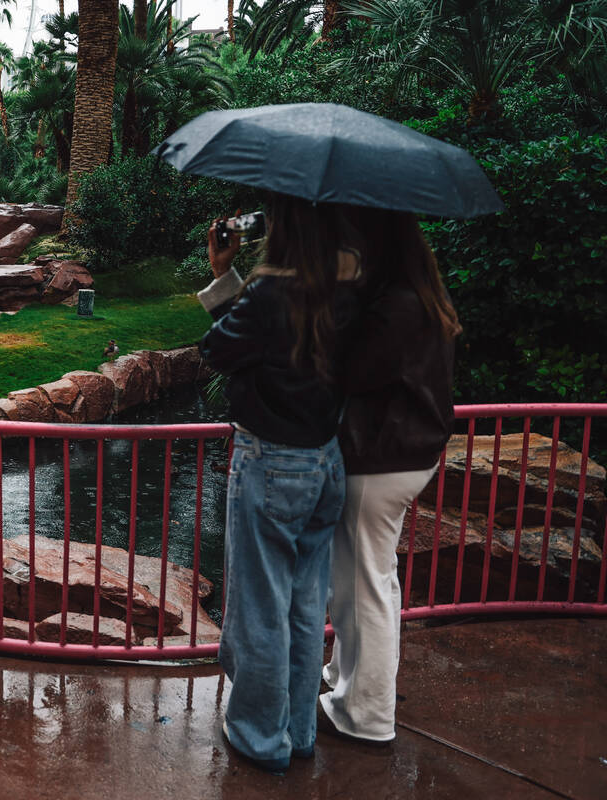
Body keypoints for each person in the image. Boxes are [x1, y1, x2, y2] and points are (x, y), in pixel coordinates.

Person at [199, 193, 361, 773]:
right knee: (303, 604)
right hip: (326, 462)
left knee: (260, 607)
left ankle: (258, 737)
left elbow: (218, 348)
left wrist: (224, 277)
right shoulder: (350, 286)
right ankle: (296, 733)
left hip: (272, 462)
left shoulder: (273, 292)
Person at [319, 208, 459, 744]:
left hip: (379, 458)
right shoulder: (423, 298)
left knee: (365, 586)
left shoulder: (394, 307)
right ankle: (344, 677)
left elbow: (349, 371)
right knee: (373, 579)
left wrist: (338, 300)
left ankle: (367, 715)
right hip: (408, 455)